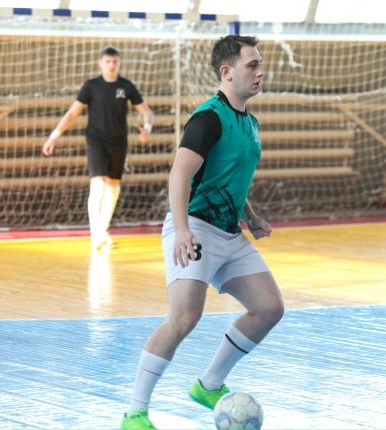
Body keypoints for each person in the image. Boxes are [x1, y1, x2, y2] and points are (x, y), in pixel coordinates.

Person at [120, 35, 285, 430]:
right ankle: (134, 413)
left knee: (269, 308)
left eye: (260, 64)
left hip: (228, 232)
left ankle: (208, 384)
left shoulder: (250, 123)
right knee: (183, 318)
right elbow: (180, 174)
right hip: (194, 227)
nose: (260, 71)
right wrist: (181, 230)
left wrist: (250, 216)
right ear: (227, 72)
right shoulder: (208, 118)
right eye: (252, 65)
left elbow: (228, 177)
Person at [42, 45, 154, 249]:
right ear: (100, 63)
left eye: (115, 61)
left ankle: (103, 230)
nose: (111, 65)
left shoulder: (126, 86)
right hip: (96, 142)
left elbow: (147, 112)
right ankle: (96, 234)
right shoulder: (91, 86)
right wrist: (53, 137)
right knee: (98, 185)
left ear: (119, 63)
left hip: (118, 142)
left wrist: (146, 129)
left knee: (113, 187)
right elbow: (72, 113)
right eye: (108, 61)